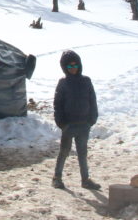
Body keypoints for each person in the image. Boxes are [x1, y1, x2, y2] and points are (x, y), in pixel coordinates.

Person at [52, 49, 101, 190]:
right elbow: (58, 104)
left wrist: (92, 119)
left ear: (79, 65)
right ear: (64, 68)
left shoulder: (86, 81)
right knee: (64, 151)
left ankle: (85, 179)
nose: (73, 68)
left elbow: (93, 100)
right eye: (69, 66)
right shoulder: (63, 83)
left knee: (82, 153)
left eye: (75, 65)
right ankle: (57, 177)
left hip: (84, 124)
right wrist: (62, 123)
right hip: (69, 125)